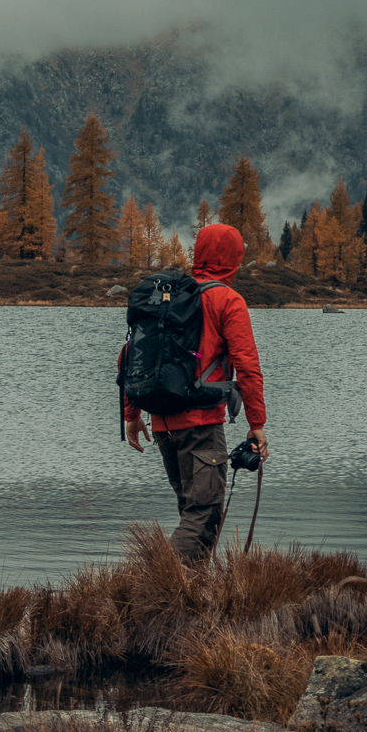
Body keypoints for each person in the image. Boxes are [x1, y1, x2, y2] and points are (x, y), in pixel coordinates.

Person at [123, 222, 268, 560]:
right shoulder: (227, 300)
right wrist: (256, 423)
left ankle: (188, 598)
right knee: (204, 514)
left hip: (162, 422)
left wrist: (132, 416)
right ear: (234, 258)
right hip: (201, 425)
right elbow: (247, 366)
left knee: (192, 511)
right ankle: (152, 581)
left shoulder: (168, 296)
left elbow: (129, 355)